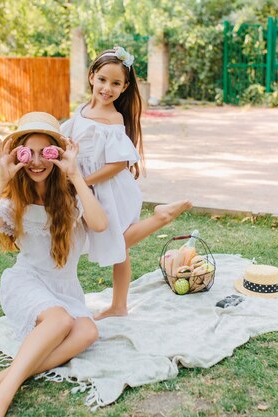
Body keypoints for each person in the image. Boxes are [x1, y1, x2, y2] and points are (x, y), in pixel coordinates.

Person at [0, 112, 108, 417]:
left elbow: (99, 224)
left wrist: (75, 174)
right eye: (30, 153)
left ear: (59, 154)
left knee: (87, 333)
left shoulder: (71, 195)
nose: (38, 162)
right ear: (18, 155)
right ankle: (3, 394)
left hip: (64, 290)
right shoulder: (14, 199)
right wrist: (1, 179)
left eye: (48, 152)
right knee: (60, 321)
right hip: (26, 283)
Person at [61, 46, 192, 320]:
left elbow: (118, 163)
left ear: (125, 86)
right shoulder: (82, 109)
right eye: (103, 80)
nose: (107, 88)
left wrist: (81, 181)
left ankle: (160, 218)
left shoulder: (114, 119)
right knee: (118, 247)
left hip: (108, 187)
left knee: (115, 241)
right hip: (87, 187)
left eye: (116, 83)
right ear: (91, 76)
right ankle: (119, 305)